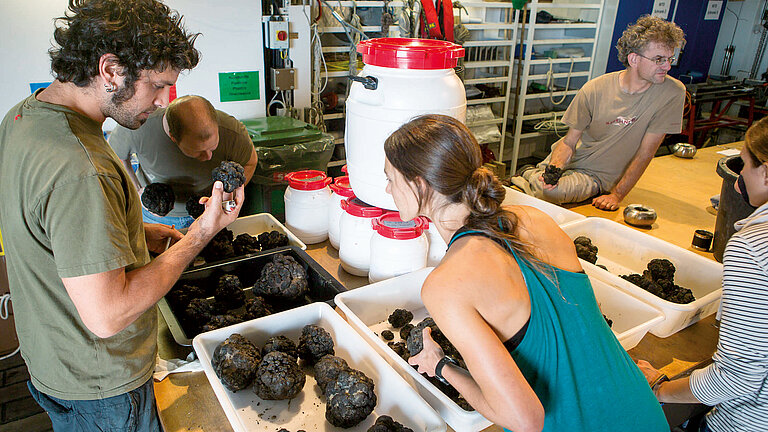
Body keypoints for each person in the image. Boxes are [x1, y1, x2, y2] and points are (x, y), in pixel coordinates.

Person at [0, 1, 244, 430]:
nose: (165, 100)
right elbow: (108, 314)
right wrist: (200, 233)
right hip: (103, 389)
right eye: (158, 85)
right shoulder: (80, 167)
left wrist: (133, 232)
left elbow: (52, 229)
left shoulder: (25, 115)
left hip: (54, 360)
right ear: (110, 69)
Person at [385, 114, 668, 431]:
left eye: (391, 179)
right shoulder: (536, 219)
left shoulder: (445, 286)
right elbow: (586, 321)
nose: (387, 188)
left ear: (419, 184)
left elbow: (525, 419)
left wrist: (439, 365)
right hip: (641, 410)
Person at [637, 116, 768, 432]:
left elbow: (736, 377)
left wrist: (660, 388)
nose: (738, 181)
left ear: (766, 172)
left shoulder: (753, 246)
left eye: (744, 166)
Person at [511, 15, 686, 211]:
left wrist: (617, 195)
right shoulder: (595, 89)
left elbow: (646, 153)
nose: (668, 67)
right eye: (659, 60)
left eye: (670, 59)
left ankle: (527, 176)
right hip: (570, 159)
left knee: (551, 192)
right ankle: (534, 174)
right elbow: (569, 142)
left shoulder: (672, 92)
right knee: (547, 184)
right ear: (634, 59)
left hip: (596, 175)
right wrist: (555, 168)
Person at [109, 94, 258, 228]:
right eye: (198, 152)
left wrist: (226, 196)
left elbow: (250, 161)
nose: (208, 157)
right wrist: (136, 190)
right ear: (174, 138)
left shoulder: (232, 130)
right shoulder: (138, 127)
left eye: (213, 147)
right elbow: (115, 158)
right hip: (156, 219)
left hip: (211, 213)